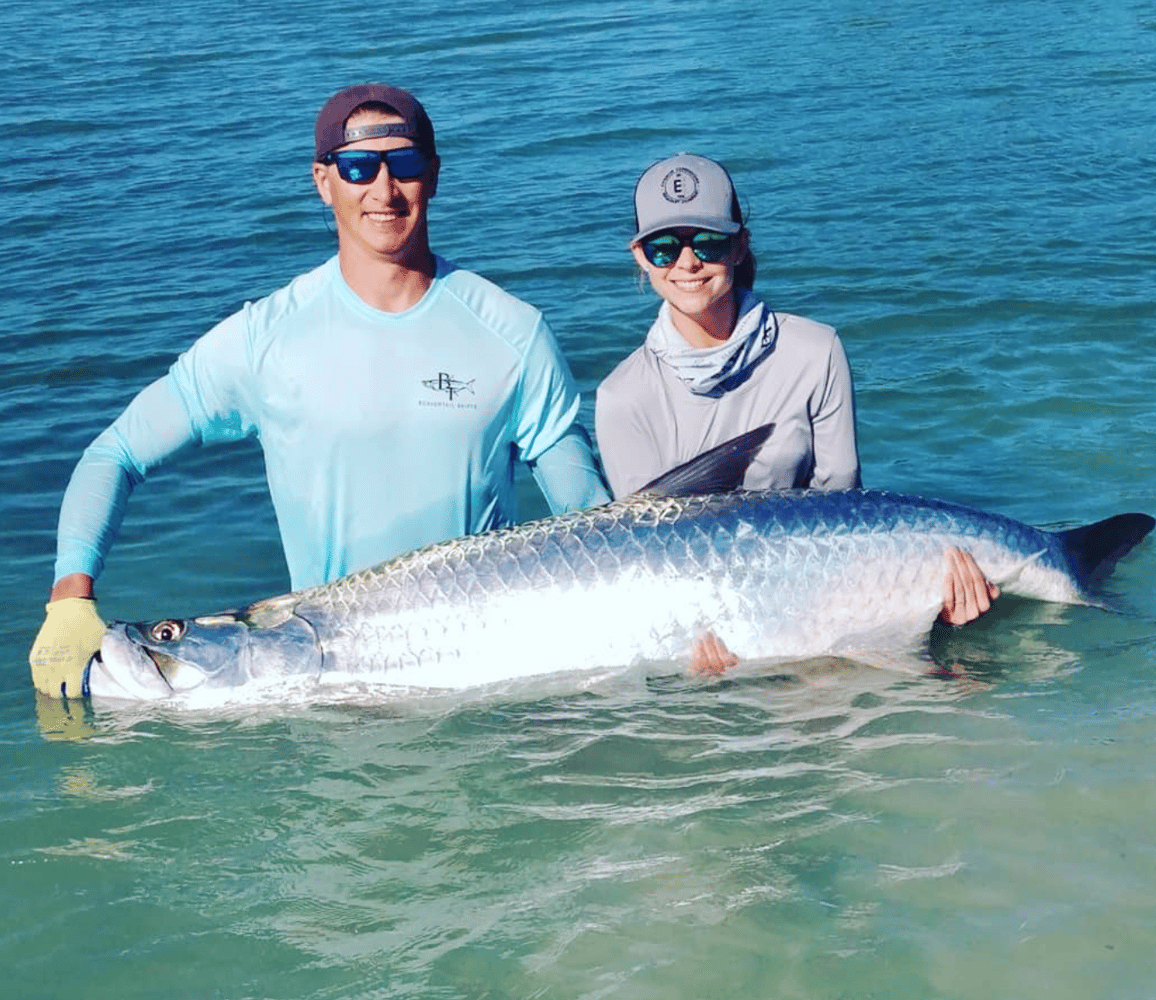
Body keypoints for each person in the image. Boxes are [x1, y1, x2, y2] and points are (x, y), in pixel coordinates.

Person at [30, 83, 610, 699]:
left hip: (485, 679)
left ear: (434, 176)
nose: (383, 190)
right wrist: (71, 595)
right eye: (358, 167)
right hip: (331, 690)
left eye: (404, 164)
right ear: (323, 181)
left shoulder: (512, 332)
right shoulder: (263, 340)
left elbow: (593, 521)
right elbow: (113, 454)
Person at [595, 153, 999, 673]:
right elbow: (647, 555)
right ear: (640, 257)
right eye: (664, 247)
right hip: (710, 628)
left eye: (709, 243)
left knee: (950, 694)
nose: (688, 263)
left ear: (740, 245)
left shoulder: (815, 350)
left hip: (820, 598)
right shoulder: (621, 397)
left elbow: (846, 512)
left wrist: (924, 598)